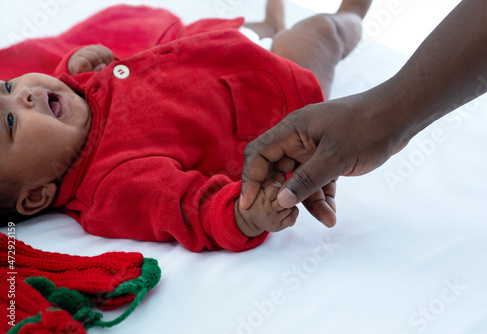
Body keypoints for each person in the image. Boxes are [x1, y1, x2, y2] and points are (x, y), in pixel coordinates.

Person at [0, 0, 371, 251]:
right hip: (276, 102)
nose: (25, 95)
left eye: (8, 87)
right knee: (320, 33)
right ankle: (349, 17)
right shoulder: (114, 187)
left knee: (260, 33)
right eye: (12, 121)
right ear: (37, 196)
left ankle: (271, 23)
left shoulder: (69, 109)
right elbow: (191, 208)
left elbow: (80, 91)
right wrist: (244, 216)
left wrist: (79, 66)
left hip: (222, 53)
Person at [239, 0, 487, 228]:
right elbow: (204, 209)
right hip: (266, 105)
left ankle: (273, 25)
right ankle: (345, 13)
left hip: (214, 49)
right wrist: (247, 219)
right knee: (311, 45)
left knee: (267, 46)